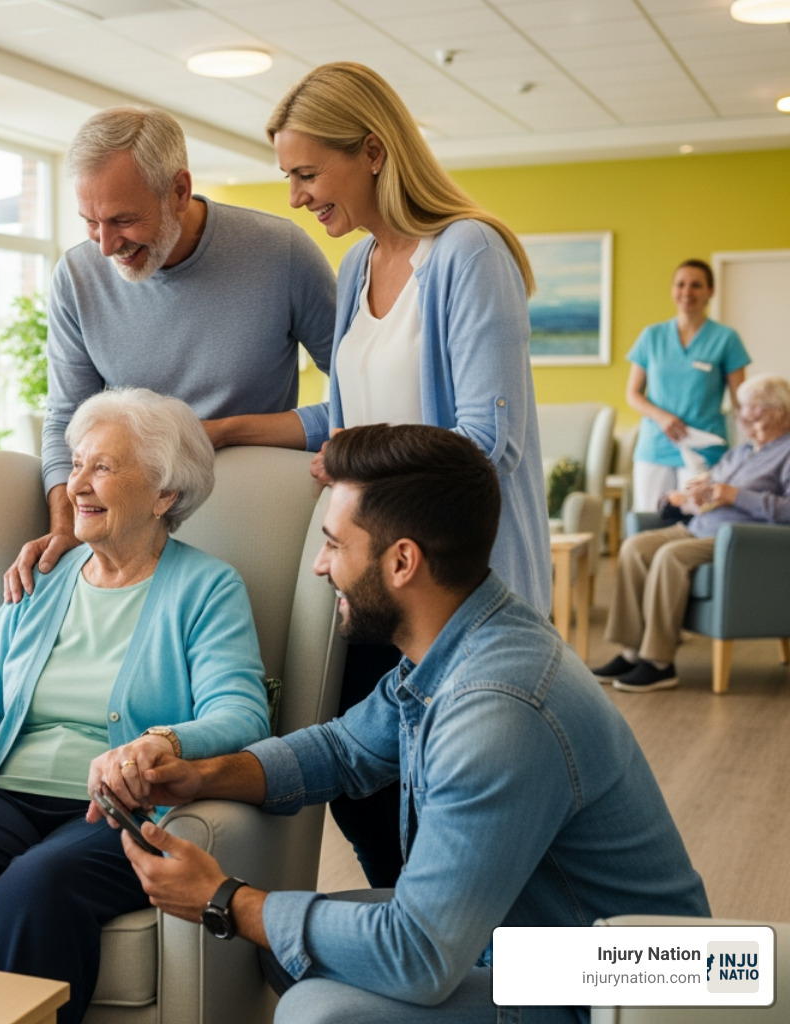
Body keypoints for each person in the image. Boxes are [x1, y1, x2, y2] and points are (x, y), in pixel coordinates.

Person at [104, 423, 710, 1024]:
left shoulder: (498, 707)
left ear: (401, 562)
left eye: (335, 545)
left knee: (320, 1012)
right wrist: (199, 774)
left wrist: (224, 899)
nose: (319, 566)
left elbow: (417, 952)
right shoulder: (462, 639)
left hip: (620, 983)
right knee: (290, 955)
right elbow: (343, 750)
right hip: (536, 941)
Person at [0, 388, 270, 1024]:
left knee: (33, 891)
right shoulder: (43, 578)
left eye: (103, 466)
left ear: (165, 494)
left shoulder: (207, 587)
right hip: (5, 793)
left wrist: (160, 741)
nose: (77, 485)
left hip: (115, 810)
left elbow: (242, 714)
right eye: (76, 465)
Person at [244, 61, 554, 888]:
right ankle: (407, 925)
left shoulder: (467, 253)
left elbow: (488, 442)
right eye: (289, 177)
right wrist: (221, 430)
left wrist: (353, 462)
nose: (297, 196)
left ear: (373, 150)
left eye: (308, 173)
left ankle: (450, 959)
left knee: (445, 796)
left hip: (451, 580)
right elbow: (347, 415)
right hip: (371, 575)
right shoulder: (356, 269)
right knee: (363, 781)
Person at [4, 104, 336, 603]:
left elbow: (364, 403)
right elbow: (65, 419)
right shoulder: (76, 277)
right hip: (127, 531)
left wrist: (225, 432)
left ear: (179, 190)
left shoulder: (282, 253)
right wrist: (66, 525)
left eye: (123, 220)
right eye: (90, 222)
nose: (105, 246)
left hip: (256, 521)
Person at [596, 373, 790, 692]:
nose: (746, 420)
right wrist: (682, 499)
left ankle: (659, 662)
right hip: (700, 528)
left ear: (779, 412)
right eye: (745, 412)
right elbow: (709, 494)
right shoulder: (740, 453)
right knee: (634, 547)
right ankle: (631, 652)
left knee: (671, 557)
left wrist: (734, 495)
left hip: (741, 540)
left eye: (755, 413)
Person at [626, 259, 751, 515]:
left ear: (710, 292)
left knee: (698, 525)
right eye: (681, 285)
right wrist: (662, 417)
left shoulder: (726, 339)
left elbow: (743, 402)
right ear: (672, 290)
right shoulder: (652, 336)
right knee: (650, 522)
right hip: (655, 448)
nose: (687, 292)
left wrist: (758, 445)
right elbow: (633, 394)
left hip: (705, 450)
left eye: (696, 285)